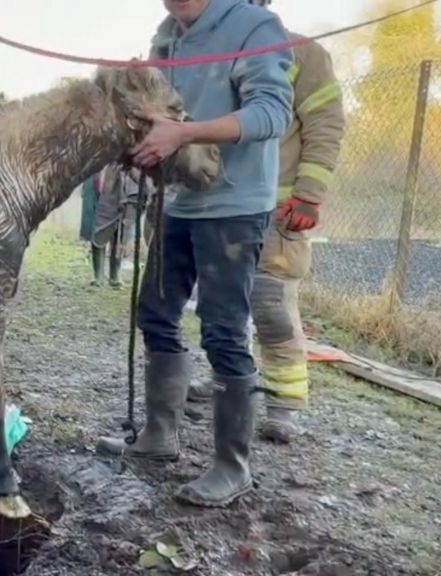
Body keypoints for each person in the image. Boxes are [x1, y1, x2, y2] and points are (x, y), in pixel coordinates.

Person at [98, 0, 294, 508]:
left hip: (234, 205)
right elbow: (165, 113)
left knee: (223, 330)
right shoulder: (168, 35)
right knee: (157, 314)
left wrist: (183, 133)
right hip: (179, 200)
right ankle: (160, 437)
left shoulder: (255, 26)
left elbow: (273, 112)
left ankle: (233, 467)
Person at [187, 0, 345, 446]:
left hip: (276, 210)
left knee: (270, 306)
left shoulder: (303, 53)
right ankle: (231, 379)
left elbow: (326, 125)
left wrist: (309, 194)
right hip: (221, 205)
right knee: (222, 305)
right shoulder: (211, 51)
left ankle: (283, 403)